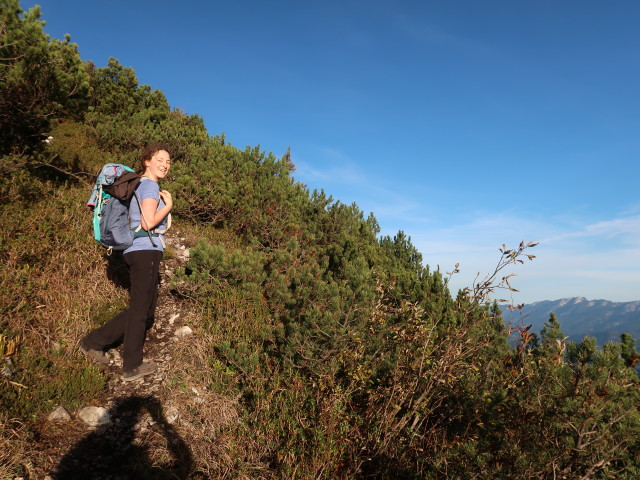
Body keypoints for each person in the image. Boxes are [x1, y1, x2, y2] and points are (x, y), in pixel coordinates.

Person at [81, 144, 173, 381]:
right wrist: (170, 206)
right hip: (145, 251)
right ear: (147, 161)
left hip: (136, 250)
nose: (165, 164)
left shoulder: (139, 185)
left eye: (168, 161)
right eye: (160, 159)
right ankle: (132, 365)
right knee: (142, 310)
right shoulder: (150, 185)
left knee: (143, 309)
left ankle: (95, 341)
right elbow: (149, 222)